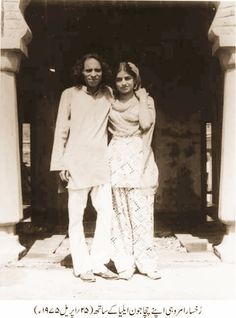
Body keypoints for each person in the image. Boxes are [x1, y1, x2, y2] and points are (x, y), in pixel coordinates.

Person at [50, 53, 117, 282]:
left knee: (106, 212)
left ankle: (99, 262)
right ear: (81, 71)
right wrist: (60, 163)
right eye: (88, 70)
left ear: (103, 72)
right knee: (76, 216)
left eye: (97, 70)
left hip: (100, 163)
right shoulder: (69, 95)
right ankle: (82, 265)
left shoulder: (109, 94)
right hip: (75, 164)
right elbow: (61, 130)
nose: (93, 74)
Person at [108, 61, 160, 280]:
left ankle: (145, 262)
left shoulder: (146, 101)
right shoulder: (108, 101)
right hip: (115, 156)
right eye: (119, 79)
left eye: (127, 78)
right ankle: (124, 262)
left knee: (141, 211)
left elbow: (146, 124)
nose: (123, 83)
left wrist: (143, 98)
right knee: (118, 212)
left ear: (135, 80)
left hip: (139, 154)